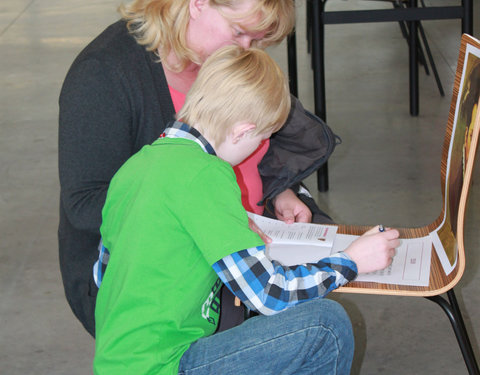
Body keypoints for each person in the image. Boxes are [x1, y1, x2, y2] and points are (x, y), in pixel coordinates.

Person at [93, 45, 400, 375]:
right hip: (164, 365)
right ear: (243, 131)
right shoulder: (207, 174)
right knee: (325, 326)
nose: (260, 148)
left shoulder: (136, 166)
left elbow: (103, 274)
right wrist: (350, 262)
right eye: (263, 139)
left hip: (117, 361)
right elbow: (268, 295)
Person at [58, 0, 338, 337]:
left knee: (319, 300)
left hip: (244, 231)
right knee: (317, 327)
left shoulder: (218, 58)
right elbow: (84, 205)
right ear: (198, 4)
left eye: (257, 40)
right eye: (239, 32)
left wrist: (281, 189)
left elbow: (250, 142)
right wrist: (215, 220)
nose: (246, 48)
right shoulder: (103, 74)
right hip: (151, 276)